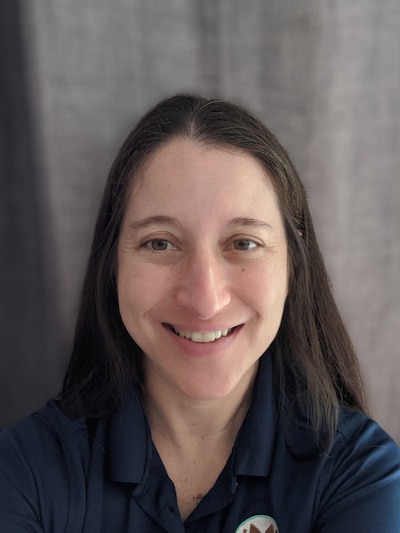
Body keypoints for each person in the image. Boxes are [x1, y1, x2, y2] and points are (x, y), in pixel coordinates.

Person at [1, 94, 399, 533]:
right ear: (112, 262)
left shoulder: (358, 472)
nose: (205, 299)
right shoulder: (25, 472)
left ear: (293, 262)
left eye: (243, 243)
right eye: (160, 243)